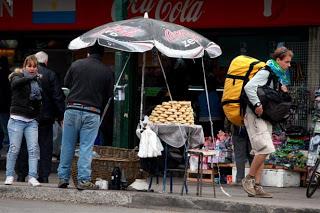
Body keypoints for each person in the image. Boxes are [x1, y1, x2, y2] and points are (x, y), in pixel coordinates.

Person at [57, 43, 113, 190]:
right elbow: (108, 95)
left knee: (67, 145)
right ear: (102, 55)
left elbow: (66, 83)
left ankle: (63, 178)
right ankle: (83, 180)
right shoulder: (106, 71)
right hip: (92, 111)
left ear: (88, 52)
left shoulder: (76, 64)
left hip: (72, 109)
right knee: (86, 147)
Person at [241, 47, 293, 198]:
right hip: (255, 115)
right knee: (266, 148)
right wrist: (257, 104)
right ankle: (248, 179)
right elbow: (249, 87)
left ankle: (257, 186)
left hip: (265, 117)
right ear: (278, 60)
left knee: (261, 151)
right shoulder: (266, 72)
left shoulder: (277, 76)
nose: (289, 65)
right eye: (287, 62)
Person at [16, 51, 65, 183]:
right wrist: (61, 115)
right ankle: (43, 176)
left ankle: (21, 174)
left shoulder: (23, 74)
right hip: (45, 117)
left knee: (25, 145)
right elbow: (57, 97)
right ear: (46, 61)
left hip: (26, 116)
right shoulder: (51, 74)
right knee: (45, 147)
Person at [5, 55, 42, 187]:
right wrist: (30, 78)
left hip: (31, 120)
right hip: (17, 119)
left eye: (34, 66)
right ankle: (9, 175)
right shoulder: (17, 76)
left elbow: (39, 101)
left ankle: (32, 176)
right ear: (24, 66)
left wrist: (37, 116)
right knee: (14, 149)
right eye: (29, 65)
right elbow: (15, 85)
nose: (32, 68)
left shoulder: (37, 82)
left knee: (33, 150)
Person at [0, 56, 11, 152]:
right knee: (7, 131)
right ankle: (8, 150)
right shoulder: (8, 76)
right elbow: (8, 93)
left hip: (3, 107)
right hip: (5, 108)